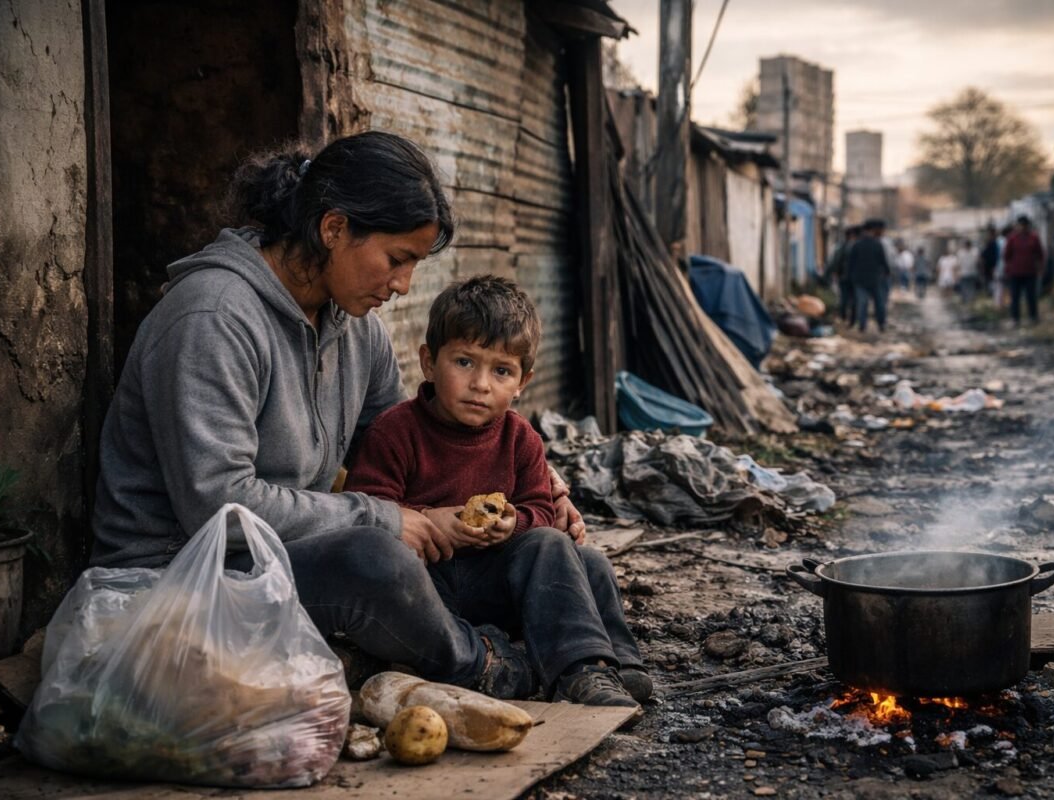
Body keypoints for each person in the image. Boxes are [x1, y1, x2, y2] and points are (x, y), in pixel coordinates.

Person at [89, 131, 585, 702]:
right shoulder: (213, 317)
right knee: (374, 557)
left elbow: (409, 441)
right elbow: (218, 507)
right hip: (182, 577)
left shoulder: (356, 327)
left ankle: (554, 651)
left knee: (536, 550)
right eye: (397, 260)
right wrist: (383, 520)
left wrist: (537, 486)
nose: (403, 286)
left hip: (277, 560)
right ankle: (483, 664)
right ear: (333, 229)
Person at [343, 276, 647, 709]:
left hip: (499, 584)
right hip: (432, 591)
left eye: (501, 371)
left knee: (582, 558)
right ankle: (546, 664)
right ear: (429, 362)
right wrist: (429, 518)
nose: (481, 384)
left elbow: (541, 509)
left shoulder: (521, 438)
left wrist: (514, 524)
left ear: (523, 381)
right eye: (464, 362)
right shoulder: (395, 431)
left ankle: (603, 665)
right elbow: (369, 512)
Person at [846, 219, 892, 333]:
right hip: (875, 279)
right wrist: (887, 272)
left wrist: (850, 277)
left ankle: (862, 326)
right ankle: (881, 325)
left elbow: (851, 263)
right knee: (879, 303)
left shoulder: (857, 244)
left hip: (860, 280)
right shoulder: (877, 244)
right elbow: (883, 261)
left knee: (862, 304)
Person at [1003, 215, 1044, 325]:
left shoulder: (1034, 238)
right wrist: (1008, 269)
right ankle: (1015, 318)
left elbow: (1040, 254)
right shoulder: (1012, 238)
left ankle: (1033, 317)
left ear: (1027, 226)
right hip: (1015, 272)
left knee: (1031, 296)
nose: (1022, 228)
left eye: (1024, 225)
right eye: (1020, 225)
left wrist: (1040, 268)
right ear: (1017, 226)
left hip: (1030, 271)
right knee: (1015, 297)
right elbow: (1007, 255)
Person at [827, 226, 860, 325]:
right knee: (853, 299)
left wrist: (835, 272)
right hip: (853, 277)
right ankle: (852, 319)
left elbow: (836, 261)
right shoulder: (856, 246)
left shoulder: (842, 247)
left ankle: (844, 317)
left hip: (844, 276)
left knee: (844, 297)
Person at [956, 239, 980, 304]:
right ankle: (969, 299)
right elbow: (977, 261)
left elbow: (958, 264)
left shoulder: (961, 252)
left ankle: (968, 299)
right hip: (967, 272)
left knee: (967, 286)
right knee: (968, 286)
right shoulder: (975, 251)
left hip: (969, 272)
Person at [979, 226, 999, 296]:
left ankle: (993, 295)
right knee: (990, 282)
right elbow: (984, 255)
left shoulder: (995, 243)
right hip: (989, 267)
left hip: (993, 266)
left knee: (994, 282)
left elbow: (994, 256)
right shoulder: (989, 243)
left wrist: (993, 266)